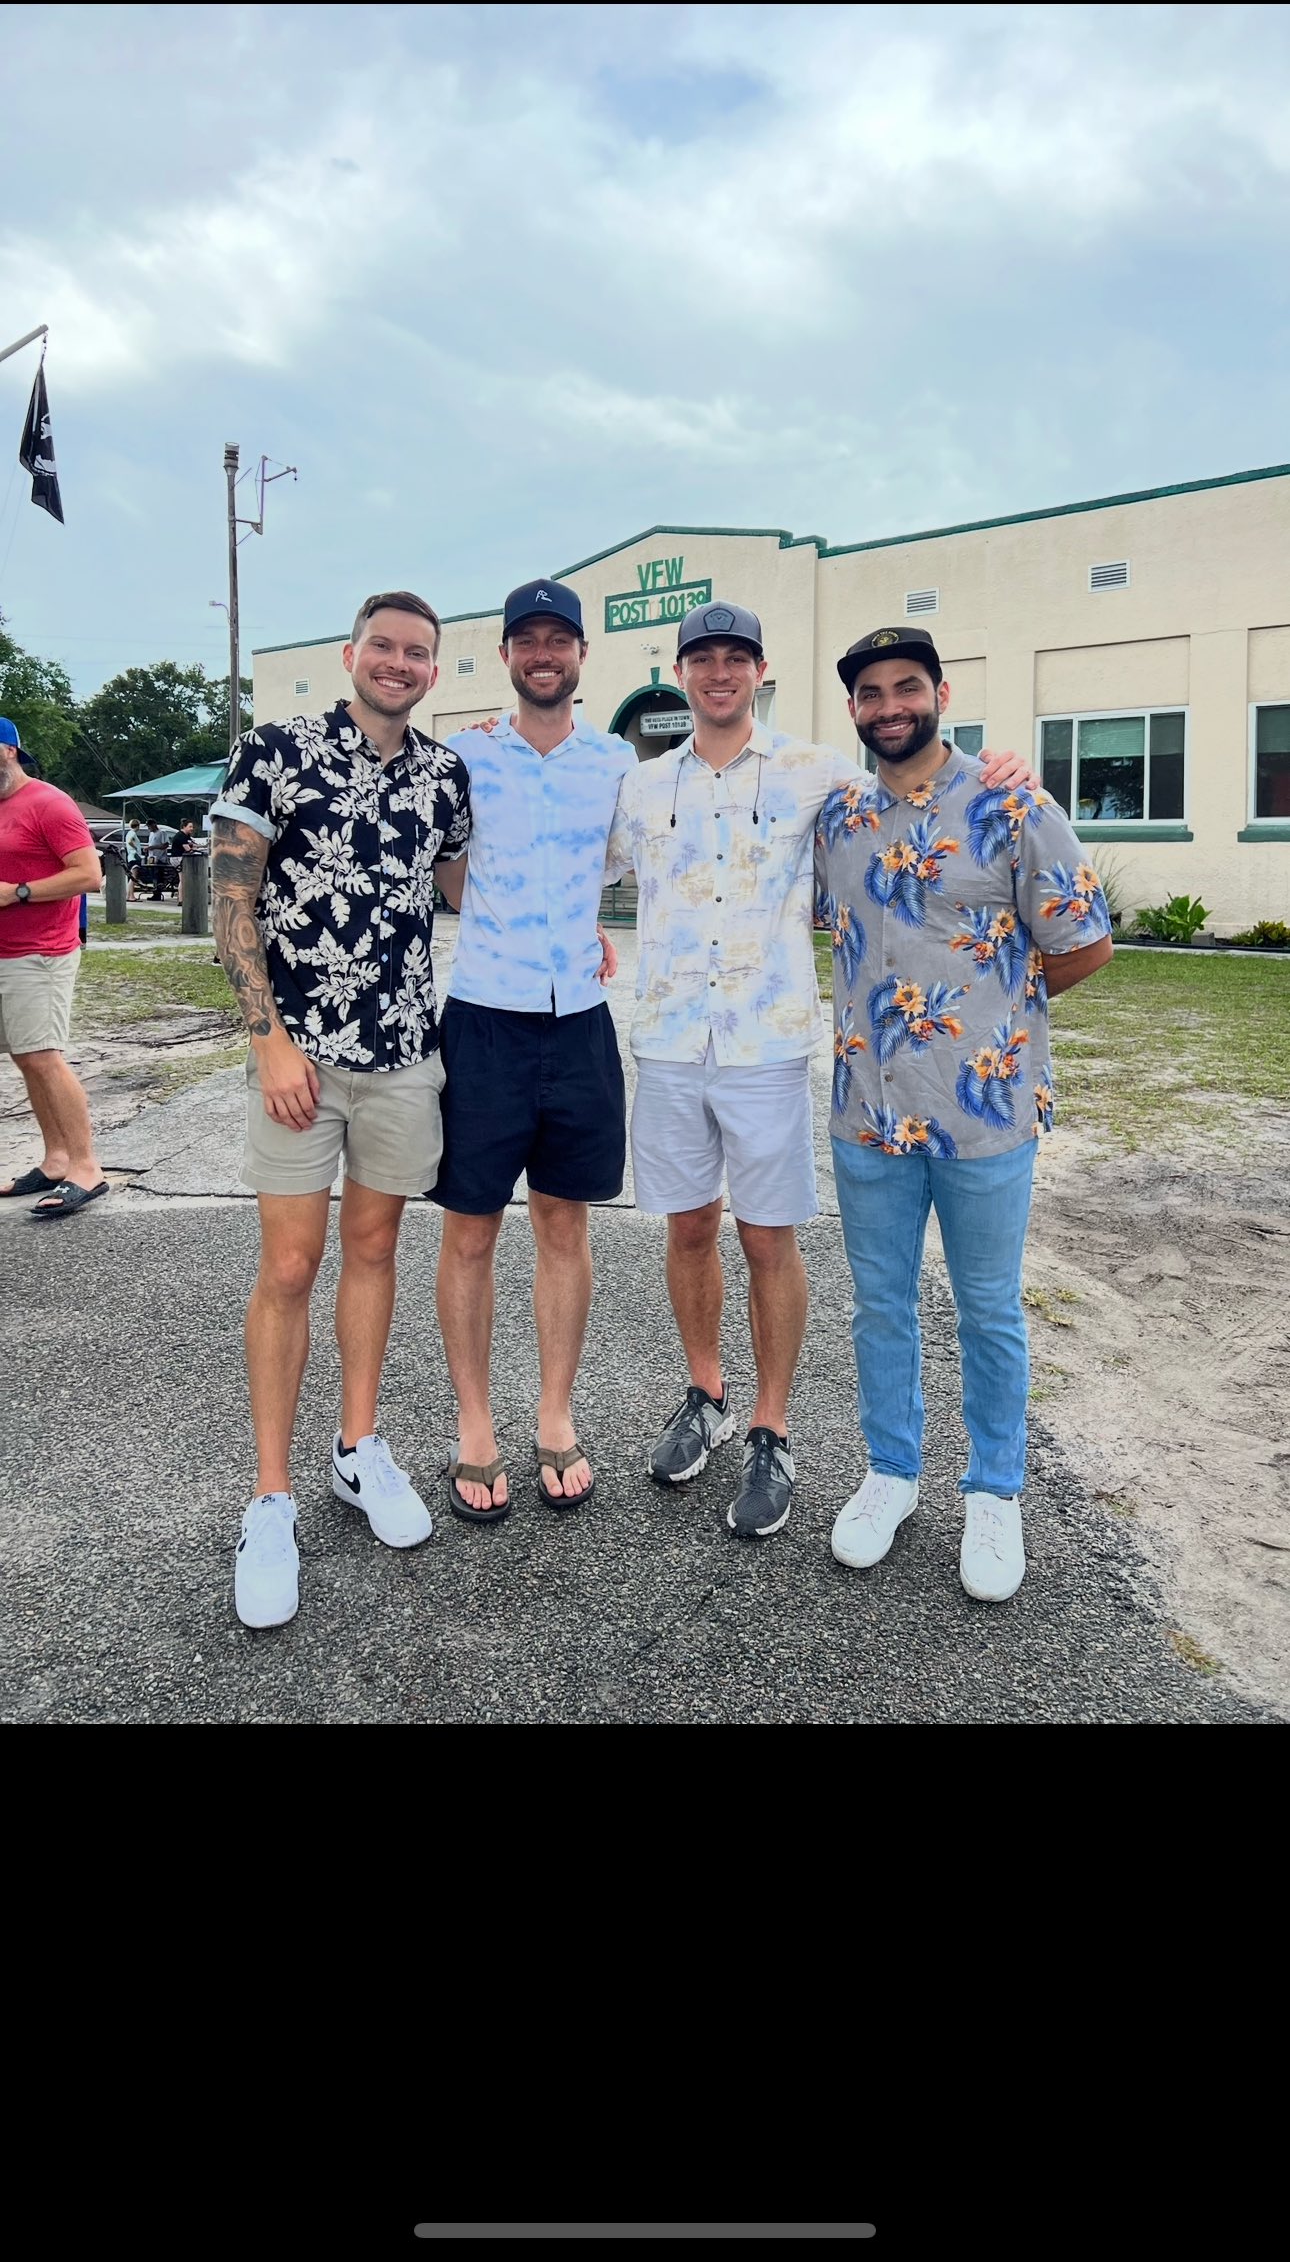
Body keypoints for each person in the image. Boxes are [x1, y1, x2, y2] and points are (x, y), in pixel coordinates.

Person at [602, 604, 1042, 1542]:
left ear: (760, 671)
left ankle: (772, 1429)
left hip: (766, 1046)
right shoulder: (636, 789)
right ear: (681, 672)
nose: (719, 673)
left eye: (736, 658)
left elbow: (920, 777)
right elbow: (564, 858)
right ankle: (706, 1397)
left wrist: (1005, 768)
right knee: (687, 1229)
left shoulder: (821, 777)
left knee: (768, 1241)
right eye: (702, 658)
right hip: (672, 1041)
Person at [817, 624, 1114, 1601]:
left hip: (984, 1121)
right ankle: (891, 1473)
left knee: (988, 1309)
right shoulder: (839, 818)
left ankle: (994, 1492)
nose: (890, 705)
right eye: (871, 693)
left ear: (940, 692)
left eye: (908, 686)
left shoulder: (1009, 800)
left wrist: (1000, 1020)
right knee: (880, 1306)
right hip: (869, 1115)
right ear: (854, 709)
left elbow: (1083, 941)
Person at [209, 592, 471, 1630]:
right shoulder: (274, 750)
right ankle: (269, 1499)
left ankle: (357, 1449)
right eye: (385, 649)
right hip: (299, 1059)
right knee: (288, 1267)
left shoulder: (444, 775)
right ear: (351, 655)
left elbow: (462, 889)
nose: (399, 665)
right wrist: (267, 1038)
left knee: (373, 1251)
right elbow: (234, 899)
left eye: (418, 654)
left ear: (434, 670)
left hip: (403, 1053)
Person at [428, 580, 631, 1523]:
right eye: (527, 640)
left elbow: (628, 864)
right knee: (470, 1228)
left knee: (564, 1227)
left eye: (560, 639)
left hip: (580, 1022)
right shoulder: (461, 756)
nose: (543, 654)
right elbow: (445, 873)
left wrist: (590, 930)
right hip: (484, 1020)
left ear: (582, 655)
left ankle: (555, 1413)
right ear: (506, 654)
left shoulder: (618, 762)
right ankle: (475, 1424)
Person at [0, 715, 108, 1218]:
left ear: (8, 752)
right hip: (5, 952)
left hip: (41, 952)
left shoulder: (48, 803)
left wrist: (17, 893)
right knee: (25, 1058)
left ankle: (87, 1167)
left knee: (43, 1055)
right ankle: (55, 1159)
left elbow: (90, 876)